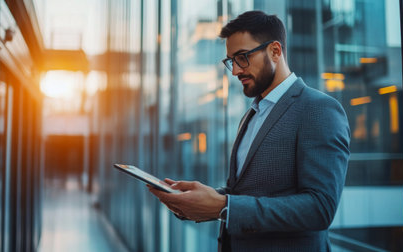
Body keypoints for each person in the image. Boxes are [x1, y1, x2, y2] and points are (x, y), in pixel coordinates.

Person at [148, 10, 350, 252]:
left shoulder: (319, 109)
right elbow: (245, 193)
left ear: (275, 51)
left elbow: (320, 208)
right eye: (231, 61)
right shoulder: (252, 113)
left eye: (242, 57)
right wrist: (198, 201)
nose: (235, 71)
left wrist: (224, 206)